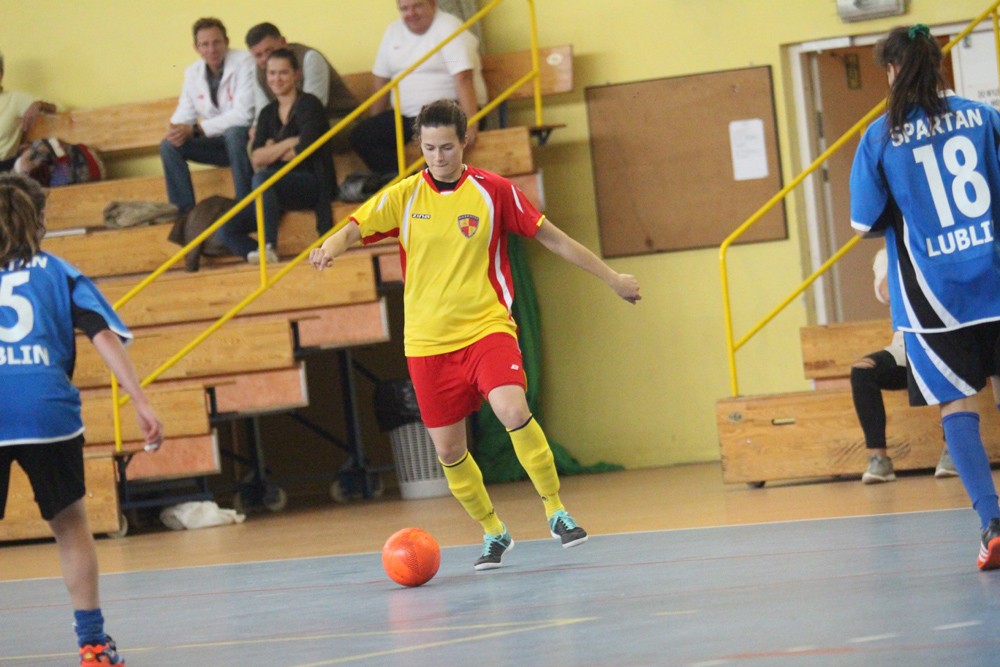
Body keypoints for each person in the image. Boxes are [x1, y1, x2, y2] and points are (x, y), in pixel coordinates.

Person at [311, 100, 641, 570]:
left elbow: (553, 238)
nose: (438, 156)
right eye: (429, 148)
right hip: (427, 344)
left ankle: (556, 510)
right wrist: (328, 247)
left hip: (486, 328)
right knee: (449, 450)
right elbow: (352, 229)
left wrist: (611, 278)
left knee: (512, 409)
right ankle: (493, 531)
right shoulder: (405, 197)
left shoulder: (494, 191)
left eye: (446, 146)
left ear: (464, 141)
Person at [849, 24, 1000, 570]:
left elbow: (864, 220)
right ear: (939, 64)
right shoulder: (984, 117)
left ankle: (993, 523)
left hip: (933, 297)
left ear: (891, 70)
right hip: (995, 280)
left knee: (957, 406)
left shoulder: (880, 136)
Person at [0, 173, 164, 665]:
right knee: (70, 527)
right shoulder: (58, 271)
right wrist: (140, 401)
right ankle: (93, 645)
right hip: (46, 408)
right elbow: (102, 335)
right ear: (37, 220)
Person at [217, 49, 335, 264]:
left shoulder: (310, 104)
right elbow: (256, 157)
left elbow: (304, 151)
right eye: (272, 73)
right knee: (226, 228)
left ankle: (268, 246)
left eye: (283, 73)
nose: (277, 79)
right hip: (274, 189)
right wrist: (289, 142)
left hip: (311, 183)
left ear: (296, 74)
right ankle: (261, 256)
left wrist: (273, 150)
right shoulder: (267, 112)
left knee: (262, 179)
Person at [854, 247, 957, 483]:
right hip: (905, 347)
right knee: (862, 371)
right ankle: (879, 459)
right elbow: (886, 293)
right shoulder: (885, 255)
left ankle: (953, 449)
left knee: (946, 363)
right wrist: (901, 250)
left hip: (944, 340)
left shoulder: (938, 246)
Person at [349, 0, 487, 175]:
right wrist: (374, 119)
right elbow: (381, 81)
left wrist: (471, 122)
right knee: (363, 136)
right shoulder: (393, 32)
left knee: (435, 141)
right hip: (410, 116)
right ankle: (411, 182)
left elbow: (463, 77)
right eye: (405, 9)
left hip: (450, 111)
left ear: (432, 4)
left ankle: (432, 185)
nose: (411, 13)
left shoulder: (448, 27)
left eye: (418, 6)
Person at [160, 17, 255, 218]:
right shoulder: (192, 73)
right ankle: (184, 213)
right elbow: (185, 111)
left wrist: (197, 129)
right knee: (169, 145)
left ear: (226, 41)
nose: (211, 49)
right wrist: (175, 128)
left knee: (234, 133)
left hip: (245, 143)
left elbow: (243, 115)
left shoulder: (245, 62)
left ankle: (246, 205)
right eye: (204, 44)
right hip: (217, 144)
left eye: (216, 42)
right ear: (196, 48)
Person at [244, 22, 358, 149]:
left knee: (307, 138)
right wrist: (258, 129)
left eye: (269, 50)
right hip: (290, 125)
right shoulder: (258, 71)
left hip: (337, 118)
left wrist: (280, 139)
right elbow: (262, 108)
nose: (265, 59)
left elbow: (313, 109)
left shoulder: (309, 58)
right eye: (258, 55)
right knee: (254, 146)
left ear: (283, 42)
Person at [0, 50, 57, 173]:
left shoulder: (14, 99)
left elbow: (57, 109)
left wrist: (39, 104)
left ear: (1, 74)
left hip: (5, 167)